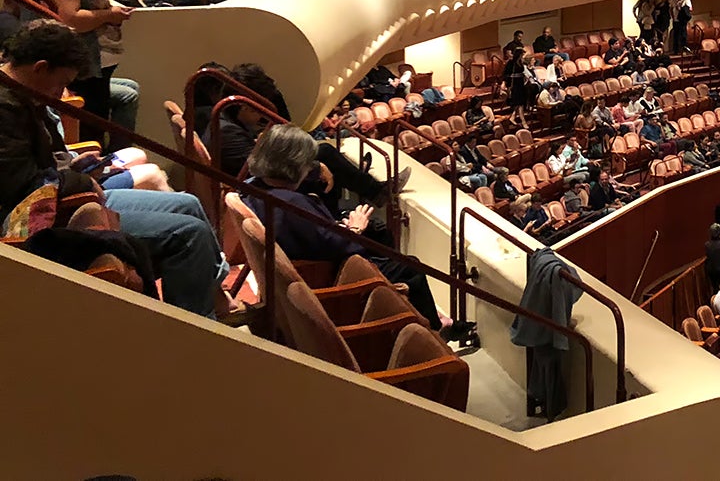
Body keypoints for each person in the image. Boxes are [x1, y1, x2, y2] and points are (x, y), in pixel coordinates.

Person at [0, 20, 225, 318]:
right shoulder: (5, 107)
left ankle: (215, 296)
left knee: (188, 204)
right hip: (42, 218)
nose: (61, 93)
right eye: (60, 83)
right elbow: (19, 185)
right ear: (40, 68)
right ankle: (195, 335)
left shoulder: (23, 94)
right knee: (189, 234)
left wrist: (76, 168)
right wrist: (78, 182)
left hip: (65, 197)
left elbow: (43, 160)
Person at [242, 124, 453, 332]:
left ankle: (406, 305)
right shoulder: (291, 204)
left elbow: (316, 234)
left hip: (306, 251)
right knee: (411, 268)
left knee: (379, 230)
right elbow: (340, 247)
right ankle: (434, 330)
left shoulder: (253, 186)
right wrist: (355, 228)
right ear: (296, 166)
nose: (310, 169)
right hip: (328, 271)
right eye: (308, 164)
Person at [19, 0, 135, 134]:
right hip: (69, 64)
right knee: (91, 126)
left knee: (117, 101)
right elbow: (68, 20)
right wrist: (109, 15)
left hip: (85, 66)